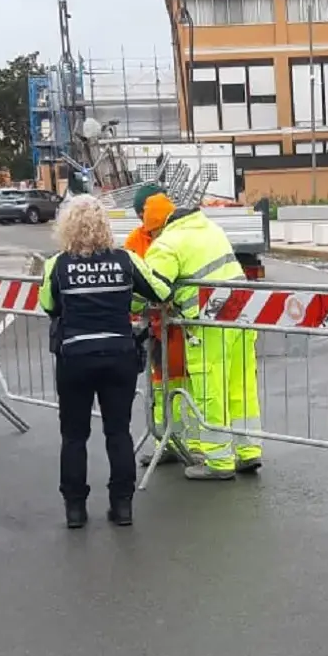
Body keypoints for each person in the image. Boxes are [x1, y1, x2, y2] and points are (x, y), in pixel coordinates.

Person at [40, 195, 164, 528]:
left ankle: (75, 510)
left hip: (75, 357)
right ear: (105, 226)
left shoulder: (58, 264)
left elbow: (47, 305)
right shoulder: (126, 260)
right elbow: (160, 291)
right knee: (118, 432)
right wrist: (126, 296)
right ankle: (122, 507)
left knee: (74, 435)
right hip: (118, 355)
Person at [139, 194, 261, 481]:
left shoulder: (166, 245)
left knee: (210, 390)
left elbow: (152, 289)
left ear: (156, 228)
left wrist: (131, 305)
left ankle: (218, 461)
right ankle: (248, 451)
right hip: (241, 319)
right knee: (241, 389)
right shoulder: (210, 229)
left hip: (207, 325)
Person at [124, 188, 191, 467]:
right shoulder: (135, 240)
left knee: (189, 383)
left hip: (182, 323)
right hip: (156, 326)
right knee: (161, 384)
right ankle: (164, 442)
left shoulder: (176, 236)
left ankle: (191, 444)